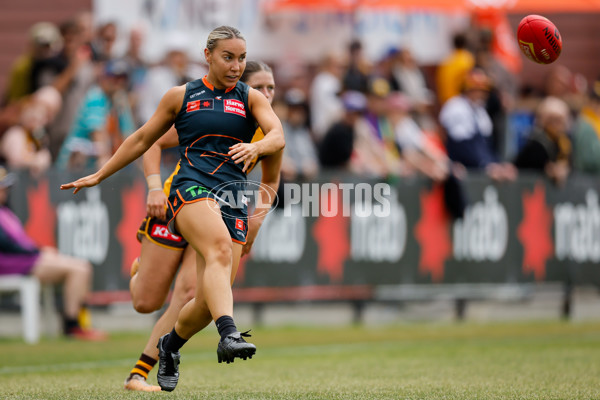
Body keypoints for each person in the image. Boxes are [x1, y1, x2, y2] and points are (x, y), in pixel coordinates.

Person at [60, 26, 285, 392]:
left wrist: (258, 151)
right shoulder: (184, 98)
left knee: (199, 298)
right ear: (208, 55)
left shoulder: (254, 106)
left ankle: (166, 349)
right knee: (153, 296)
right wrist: (103, 176)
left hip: (230, 199)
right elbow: (143, 140)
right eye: (229, 57)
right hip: (183, 193)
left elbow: (277, 143)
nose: (237, 67)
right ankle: (228, 332)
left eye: (242, 59)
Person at [123, 60, 280, 392]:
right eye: (261, 87)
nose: (267, 94)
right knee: (145, 302)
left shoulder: (267, 129)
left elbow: (272, 180)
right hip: (175, 204)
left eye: (272, 88)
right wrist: (153, 186)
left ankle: (140, 372)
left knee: (192, 293)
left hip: (221, 211)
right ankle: (140, 271)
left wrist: (257, 222)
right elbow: (149, 140)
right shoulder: (212, 110)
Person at [0, 166, 106, 340]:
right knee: (78, 269)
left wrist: (37, 251)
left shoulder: (5, 211)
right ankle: (72, 325)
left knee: (81, 266)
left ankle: (78, 321)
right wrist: (37, 251)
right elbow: (6, 245)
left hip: (21, 259)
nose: (5, 191)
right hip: (10, 263)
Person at [439, 68, 516, 181]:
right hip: (462, 168)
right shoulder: (455, 107)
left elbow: (486, 145)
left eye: (484, 91)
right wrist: (485, 165)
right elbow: (461, 146)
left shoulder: (480, 111)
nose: (483, 95)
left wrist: (497, 164)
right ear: (468, 90)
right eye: (479, 90)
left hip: (480, 165)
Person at [513, 96, 572, 186]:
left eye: (560, 121)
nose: (557, 125)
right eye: (553, 120)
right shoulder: (536, 142)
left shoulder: (564, 143)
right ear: (544, 120)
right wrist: (548, 169)